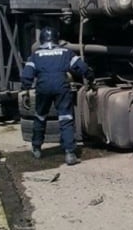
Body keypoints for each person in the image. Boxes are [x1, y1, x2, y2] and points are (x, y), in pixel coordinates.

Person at [20, 26, 94, 165]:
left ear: (41, 39)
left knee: (40, 116)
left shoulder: (35, 55)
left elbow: (27, 75)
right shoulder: (66, 52)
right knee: (65, 118)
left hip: (43, 88)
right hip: (61, 87)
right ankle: (69, 154)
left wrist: (25, 91)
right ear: (56, 38)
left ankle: (36, 148)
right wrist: (90, 78)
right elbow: (82, 67)